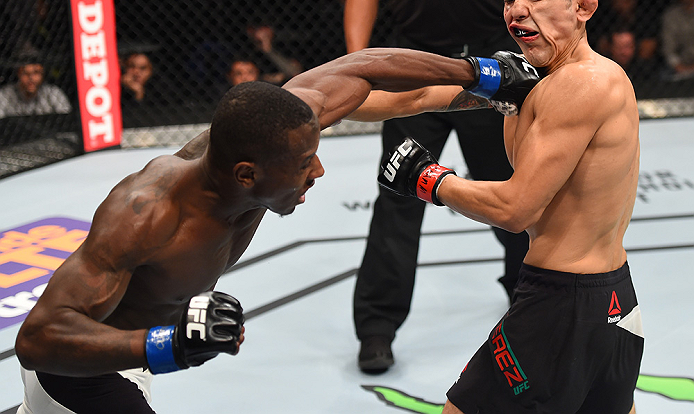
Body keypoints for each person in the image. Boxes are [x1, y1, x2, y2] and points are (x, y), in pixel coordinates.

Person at [15, 49, 540, 413]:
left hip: (137, 350)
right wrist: (166, 345)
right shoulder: (145, 214)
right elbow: (38, 339)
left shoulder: (275, 131)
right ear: (249, 175)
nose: (319, 171)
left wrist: (481, 76)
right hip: (77, 377)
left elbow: (366, 66)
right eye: (306, 162)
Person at [374, 0, 643, 413]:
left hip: (563, 304)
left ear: (583, 8)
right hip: (611, 302)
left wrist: (429, 179)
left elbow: (516, 209)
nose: (517, 9)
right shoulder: (529, 78)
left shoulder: (584, 82)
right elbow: (413, 97)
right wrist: (305, 110)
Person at [343, 0, 551, 374]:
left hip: (497, 65)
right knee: (398, 194)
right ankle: (377, 326)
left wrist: (540, 54)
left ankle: (528, 294)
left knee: (515, 190)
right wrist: (357, 67)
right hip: (416, 63)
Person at [0, 55, 71, 119]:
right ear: (18, 74)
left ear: (42, 74)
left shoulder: (53, 93)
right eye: (25, 73)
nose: (31, 78)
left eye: (36, 73)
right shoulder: (5, 94)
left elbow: (67, 118)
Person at [661, 0, 694, 80]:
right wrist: (679, 67)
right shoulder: (670, 16)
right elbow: (668, 49)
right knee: (663, 76)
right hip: (678, 67)